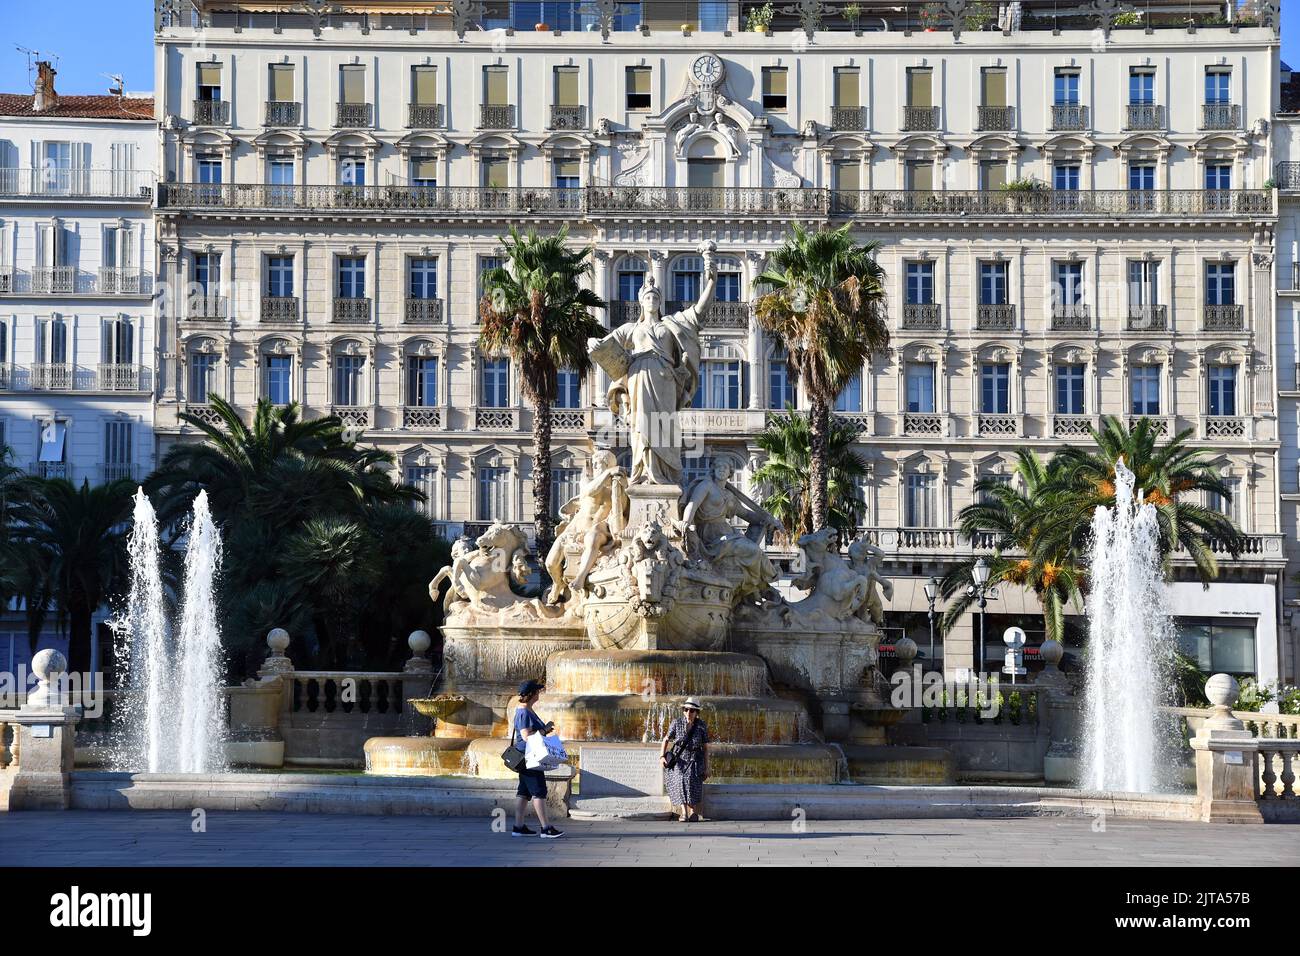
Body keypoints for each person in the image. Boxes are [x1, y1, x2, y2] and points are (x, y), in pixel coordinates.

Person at [510, 679, 564, 839]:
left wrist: (543, 729)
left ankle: (518, 827)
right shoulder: (524, 712)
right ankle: (546, 828)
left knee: (524, 792)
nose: (539, 693)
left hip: (527, 756)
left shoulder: (526, 710)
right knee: (539, 791)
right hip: (529, 758)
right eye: (538, 691)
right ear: (532, 694)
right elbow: (527, 736)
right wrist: (544, 729)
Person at [660, 697, 709, 822]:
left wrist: (707, 767)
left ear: (697, 712)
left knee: (693, 782)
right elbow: (666, 739)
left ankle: (693, 812)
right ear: (683, 711)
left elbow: (705, 747)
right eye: (686, 709)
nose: (688, 713)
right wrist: (662, 756)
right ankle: (684, 812)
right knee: (681, 781)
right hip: (679, 759)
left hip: (695, 758)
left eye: (692, 710)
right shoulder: (676, 723)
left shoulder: (701, 726)